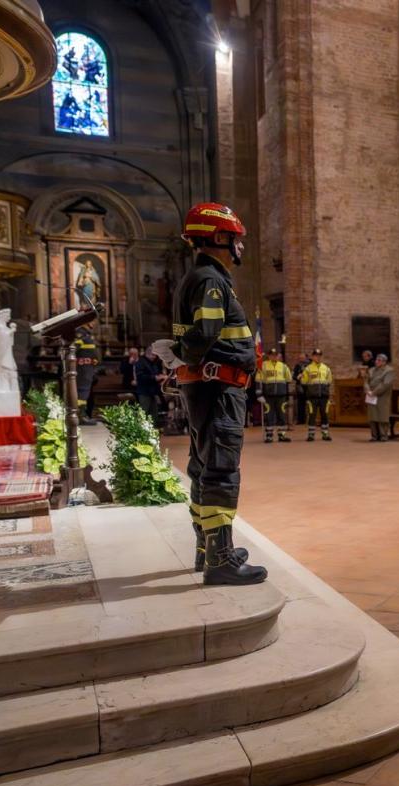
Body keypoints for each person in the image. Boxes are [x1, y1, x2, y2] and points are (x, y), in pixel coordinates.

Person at [151, 201, 265, 586]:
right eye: (236, 239)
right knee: (220, 469)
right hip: (218, 388)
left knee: (203, 466)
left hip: (206, 387)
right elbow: (204, 334)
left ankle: (210, 549)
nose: (240, 247)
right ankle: (220, 561)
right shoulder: (212, 281)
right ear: (218, 237)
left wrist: (180, 357)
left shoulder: (199, 277)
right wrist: (184, 354)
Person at [256, 347, 293, 443]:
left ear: (278, 356)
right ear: (268, 356)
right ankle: (269, 436)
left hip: (281, 395)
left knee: (282, 415)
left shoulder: (284, 366)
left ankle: (282, 435)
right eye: (272, 355)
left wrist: (288, 394)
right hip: (268, 395)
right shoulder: (263, 365)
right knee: (269, 415)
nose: (274, 356)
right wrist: (259, 394)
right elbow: (258, 380)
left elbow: (289, 379)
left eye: (276, 355)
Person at [298, 349, 333, 441]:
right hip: (312, 396)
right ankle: (311, 434)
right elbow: (304, 382)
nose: (318, 357)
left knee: (324, 415)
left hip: (324, 396)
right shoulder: (308, 369)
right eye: (316, 356)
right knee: (312, 415)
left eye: (320, 356)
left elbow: (329, 381)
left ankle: (325, 434)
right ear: (313, 357)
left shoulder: (326, 368)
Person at [366, 352, 396, 440]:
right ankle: (374, 435)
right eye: (376, 360)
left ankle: (383, 435)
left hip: (382, 396)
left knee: (382, 416)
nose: (377, 362)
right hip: (371, 396)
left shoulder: (389, 371)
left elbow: (385, 384)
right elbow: (366, 381)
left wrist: (374, 392)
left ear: (384, 362)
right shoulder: (371, 370)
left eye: (379, 360)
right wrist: (367, 390)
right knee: (373, 416)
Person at [74, 324, 100, 424]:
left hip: (87, 370)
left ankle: (82, 415)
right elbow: (73, 350)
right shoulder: (81, 332)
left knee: (84, 394)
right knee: (82, 393)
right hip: (82, 370)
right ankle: (81, 417)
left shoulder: (87, 333)